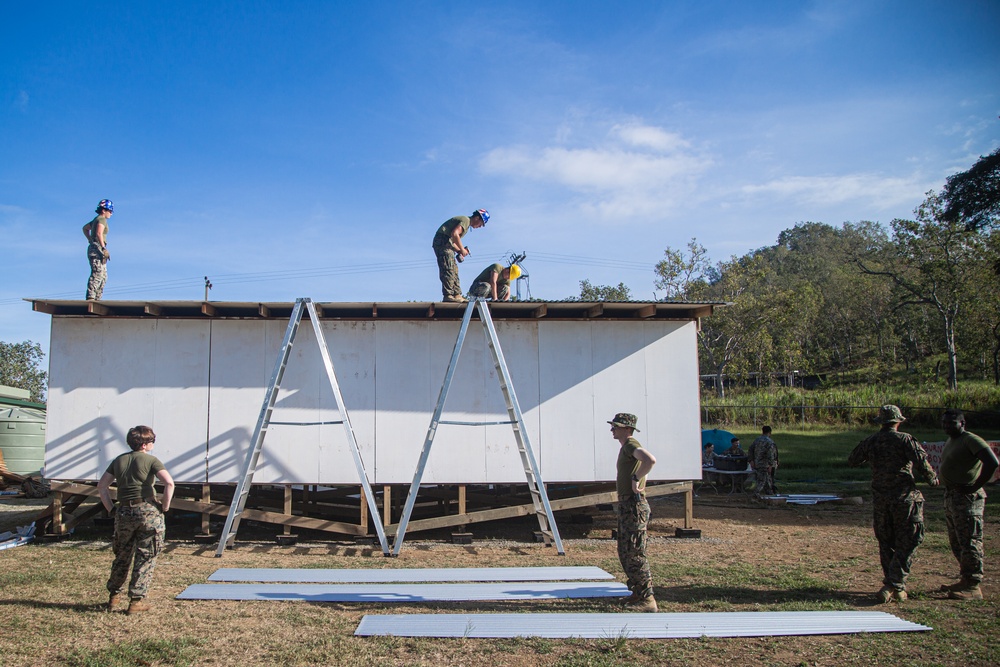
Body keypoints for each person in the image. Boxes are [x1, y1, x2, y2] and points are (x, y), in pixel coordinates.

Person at [848, 405, 938, 603]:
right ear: (898, 421)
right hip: (904, 497)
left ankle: (893, 584)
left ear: (881, 422)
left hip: (881, 499)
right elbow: (922, 463)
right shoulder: (905, 439)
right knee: (910, 539)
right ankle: (895, 583)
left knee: (886, 541)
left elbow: (853, 459)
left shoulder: (872, 441)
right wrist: (933, 478)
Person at [98, 425, 175, 614]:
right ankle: (136, 601)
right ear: (145, 443)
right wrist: (164, 507)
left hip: (123, 511)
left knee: (122, 555)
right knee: (146, 555)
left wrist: (111, 509)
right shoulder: (151, 461)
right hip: (147, 511)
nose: (152, 445)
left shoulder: (119, 461)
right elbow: (169, 483)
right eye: (152, 441)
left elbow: (102, 486)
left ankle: (114, 597)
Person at [938, 408, 999, 600]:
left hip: (967, 498)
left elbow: (992, 462)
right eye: (944, 422)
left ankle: (973, 585)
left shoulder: (971, 439)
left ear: (962, 423)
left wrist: (976, 485)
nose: (947, 426)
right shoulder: (952, 440)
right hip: (953, 496)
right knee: (957, 540)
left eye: (951, 423)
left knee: (970, 541)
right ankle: (965, 579)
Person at [608, 412, 658, 612]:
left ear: (627, 429)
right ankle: (638, 592)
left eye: (616, 427)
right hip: (628, 505)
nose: (612, 429)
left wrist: (636, 478)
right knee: (625, 551)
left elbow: (650, 460)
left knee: (635, 553)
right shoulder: (626, 447)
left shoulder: (630, 444)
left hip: (633, 505)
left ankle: (647, 599)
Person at [432, 209, 489, 303]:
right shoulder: (466, 220)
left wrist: (459, 250)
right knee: (448, 268)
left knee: (454, 270)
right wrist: (462, 249)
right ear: (477, 218)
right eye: (481, 224)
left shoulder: (466, 225)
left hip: (446, 243)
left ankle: (457, 294)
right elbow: (455, 234)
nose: (480, 227)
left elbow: (452, 240)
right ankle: (448, 295)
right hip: (442, 243)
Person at [82, 199, 114, 300]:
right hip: (97, 248)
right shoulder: (101, 219)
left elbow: (85, 228)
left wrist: (89, 240)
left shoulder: (96, 220)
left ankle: (97, 297)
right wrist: (103, 248)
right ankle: (91, 296)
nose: (111, 214)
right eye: (110, 211)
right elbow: (99, 233)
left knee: (104, 275)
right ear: (103, 210)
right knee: (98, 273)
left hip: (96, 247)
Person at [748, 425, 779, 496]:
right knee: (762, 480)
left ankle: (769, 492)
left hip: (757, 463)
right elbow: (771, 454)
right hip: (765, 464)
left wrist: (751, 460)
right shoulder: (770, 442)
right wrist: (771, 465)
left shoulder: (757, 440)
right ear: (770, 432)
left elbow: (750, 450)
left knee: (767, 479)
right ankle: (755, 493)